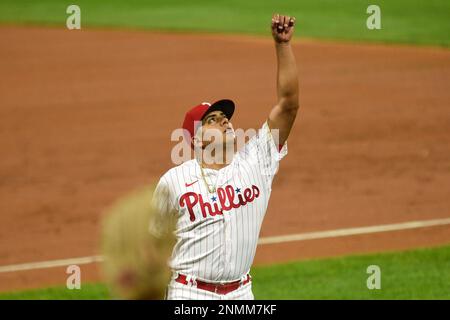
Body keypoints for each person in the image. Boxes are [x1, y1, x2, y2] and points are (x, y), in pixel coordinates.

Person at [150, 13, 299, 300]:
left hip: (241, 294)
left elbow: (289, 105)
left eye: (226, 118)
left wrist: (282, 46)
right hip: (187, 294)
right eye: (212, 120)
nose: (225, 122)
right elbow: (152, 250)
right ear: (195, 139)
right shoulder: (174, 181)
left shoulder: (257, 161)